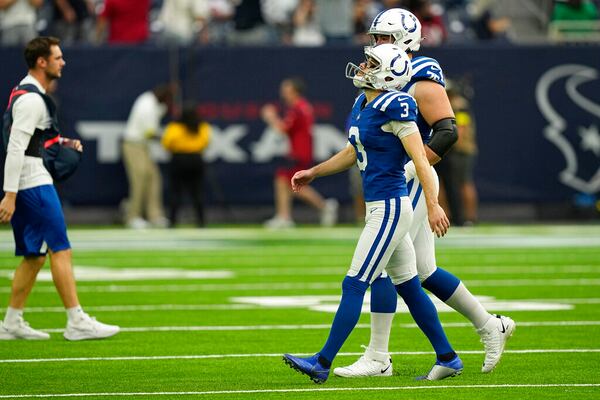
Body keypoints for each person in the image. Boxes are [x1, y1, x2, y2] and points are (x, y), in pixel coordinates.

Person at [333, 8, 514, 378]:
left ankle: (378, 357)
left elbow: (447, 131)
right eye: (376, 37)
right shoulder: (379, 71)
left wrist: (413, 167)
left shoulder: (420, 73)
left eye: (385, 37)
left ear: (405, 40)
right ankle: (487, 326)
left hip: (408, 179)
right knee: (424, 271)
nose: (377, 44)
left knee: (382, 265)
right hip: (392, 177)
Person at [283, 44, 462, 383]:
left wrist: (433, 202)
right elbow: (353, 151)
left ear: (389, 73)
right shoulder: (364, 102)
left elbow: (420, 159)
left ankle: (321, 361)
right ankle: (448, 357)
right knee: (408, 285)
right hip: (380, 206)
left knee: (354, 283)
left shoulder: (396, 105)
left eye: (372, 63)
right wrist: (314, 172)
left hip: (390, 208)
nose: (364, 66)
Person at [0, 36, 119, 341]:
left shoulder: (27, 92)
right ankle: (76, 320)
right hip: (32, 182)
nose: (63, 62)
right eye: (57, 57)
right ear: (42, 61)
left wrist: (61, 143)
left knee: (34, 256)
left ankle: (11, 322)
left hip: (28, 180)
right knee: (60, 248)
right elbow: (15, 147)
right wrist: (10, 193)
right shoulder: (31, 99)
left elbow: (31, 141)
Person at [261, 77, 338, 229]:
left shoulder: (297, 108)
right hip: (301, 150)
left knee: (294, 184)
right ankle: (285, 216)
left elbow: (282, 129)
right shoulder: (302, 107)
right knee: (283, 179)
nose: (283, 94)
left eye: (286, 90)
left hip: (299, 152)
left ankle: (323, 206)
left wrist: (270, 117)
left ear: (295, 92)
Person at [122, 84, 173, 229]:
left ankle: (155, 216)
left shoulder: (153, 102)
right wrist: (170, 137)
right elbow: (150, 133)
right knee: (140, 178)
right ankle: (132, 217)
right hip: (133, 145)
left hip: (143, 146)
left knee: (154, 178)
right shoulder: (147, 105)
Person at [161, 104, 211, 227]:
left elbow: (167, 143)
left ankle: (172, 221)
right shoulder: (202, 126)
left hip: (179, 160)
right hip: (196, 160)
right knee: (197, 192)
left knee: (175, 192)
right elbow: (206, 142)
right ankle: (201, 221)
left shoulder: (175, 127)